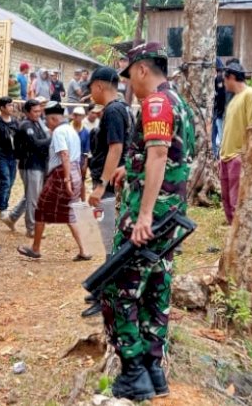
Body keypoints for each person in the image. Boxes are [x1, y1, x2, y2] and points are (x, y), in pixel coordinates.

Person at [100, 42, 196, 401]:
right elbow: (170, 156)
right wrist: (133, 167)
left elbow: (158, 154)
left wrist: (142, 216)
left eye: (129, 76)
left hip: (150, 216)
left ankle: (134, 371)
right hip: (171, 214)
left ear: (142, 69)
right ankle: (155, 373)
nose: (129, 85)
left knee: (117, 288)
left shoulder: (155, 102)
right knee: (156, 285)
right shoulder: (180, 104)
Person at [82, 66, 133, 318]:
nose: (90, 93)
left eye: (91, 87)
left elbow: (115, 149)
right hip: (112, 185)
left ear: (99, 85)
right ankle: (103, 288)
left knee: (111, 243)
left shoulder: (113, 111)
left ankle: (107, 297)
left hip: (110, 187)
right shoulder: (121, 108)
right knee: (109, 242)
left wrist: (102, 185)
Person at [17, 102, 90, 261]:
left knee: (41, 209)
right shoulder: (71, 130)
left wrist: (66, 179)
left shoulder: (58, 132)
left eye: (48, 120)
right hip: (75, 171)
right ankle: (84, 250)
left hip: (62, 173)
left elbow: (64, 155)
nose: (47, 124)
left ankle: (35, 249)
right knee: (69, 212)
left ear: (53, 118)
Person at [219, 61, 252, 224]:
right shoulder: (234, 99)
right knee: (228, 201)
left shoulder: (251, 94)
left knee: (237, 202)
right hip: (226, 156)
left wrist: (247, 157)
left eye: (224, 79)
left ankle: (240, 240)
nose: (223, 84)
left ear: (231, 77)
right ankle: (233, 235)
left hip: (238, 156)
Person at [3, 99, 50, 237]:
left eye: (39, 111)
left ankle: (12, 217)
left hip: (39, 164)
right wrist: (51, 139)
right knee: (33, 198)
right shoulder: (26, 126)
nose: (38, 113)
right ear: (27, 112)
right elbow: (35, 144)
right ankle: (31, 228)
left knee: (31, 195)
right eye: (35, 111)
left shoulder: (38, 124)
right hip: (30, 165)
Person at [0, 97, 19, 218]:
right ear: (2, 108)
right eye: (9, 105)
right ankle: (2, 208)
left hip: (13, 156)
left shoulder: (15, 121)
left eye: (12, 105)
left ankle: (4, 204)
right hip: (0, 156)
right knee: (5, 180)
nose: (12, 107)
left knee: (11, 182)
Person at [71, 106, 91, 202]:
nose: (79, 118)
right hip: (69, 161)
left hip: (80, 161)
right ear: (73, 116)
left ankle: (83, 203)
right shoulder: (67, 129)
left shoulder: (86, 132)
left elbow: (86, 150)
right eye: (77, 116)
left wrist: (85, 163)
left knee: (81, 182)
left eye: (81, 116)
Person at [212, 58, 227, 159]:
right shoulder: (218, 79)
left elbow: (221, 96)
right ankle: (215, 155)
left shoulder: (220, 79)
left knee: (221, 137)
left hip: (220, 114)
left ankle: (219, 156)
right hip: (217, 113)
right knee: (214, 137)